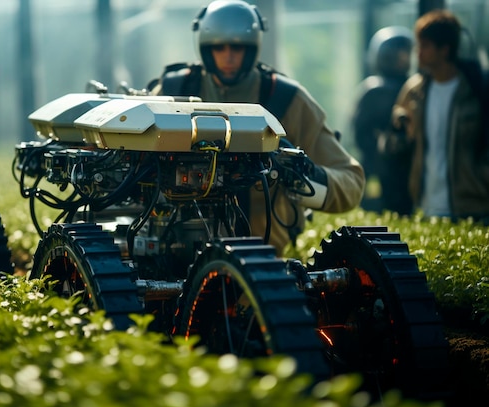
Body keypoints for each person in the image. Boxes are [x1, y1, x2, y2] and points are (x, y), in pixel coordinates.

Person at [147, 0, 365, 256]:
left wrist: (298, 175)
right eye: (219, 47)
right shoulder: (173, 91)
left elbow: (352, 182)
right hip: (173, 252)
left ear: (252, 49)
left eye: (238, 47)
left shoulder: (286, 99)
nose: (228, 56)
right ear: (206, 49)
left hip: (262, 259)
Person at [391, 9, 489, 222]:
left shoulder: (476, 89)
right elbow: (398, 114)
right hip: (426, 205)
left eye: (425, 46)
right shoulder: (415, 89)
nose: (418, 53)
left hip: (471, 206)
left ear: (444, 50)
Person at [352, 26, 414, 215]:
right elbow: (360, 132)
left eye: (404, 55)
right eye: (394, 56)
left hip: (407, 167)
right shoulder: (373, 90)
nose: (400, 61)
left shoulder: (413, 87)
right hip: (379, 166)